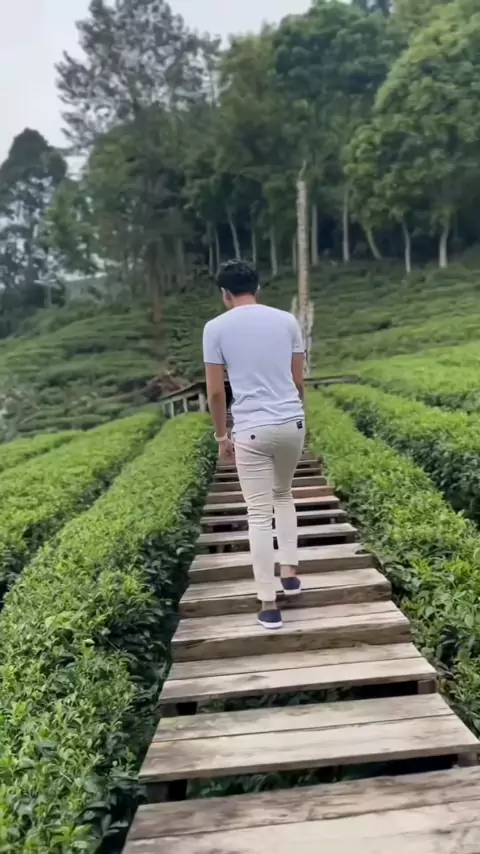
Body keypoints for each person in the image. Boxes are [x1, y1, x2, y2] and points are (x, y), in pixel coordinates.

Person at [203, 260, 306, 630]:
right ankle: (290, 573)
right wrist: (294, 417)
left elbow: (216, 392)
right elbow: (298, 381)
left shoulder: (215, 328)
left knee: (259, 514)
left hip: (250, 430)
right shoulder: (287, 321)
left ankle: (268, 603)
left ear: (225, 293)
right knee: (284, 493)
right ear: (257, 288)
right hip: (292, 422)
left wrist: (221, 436)